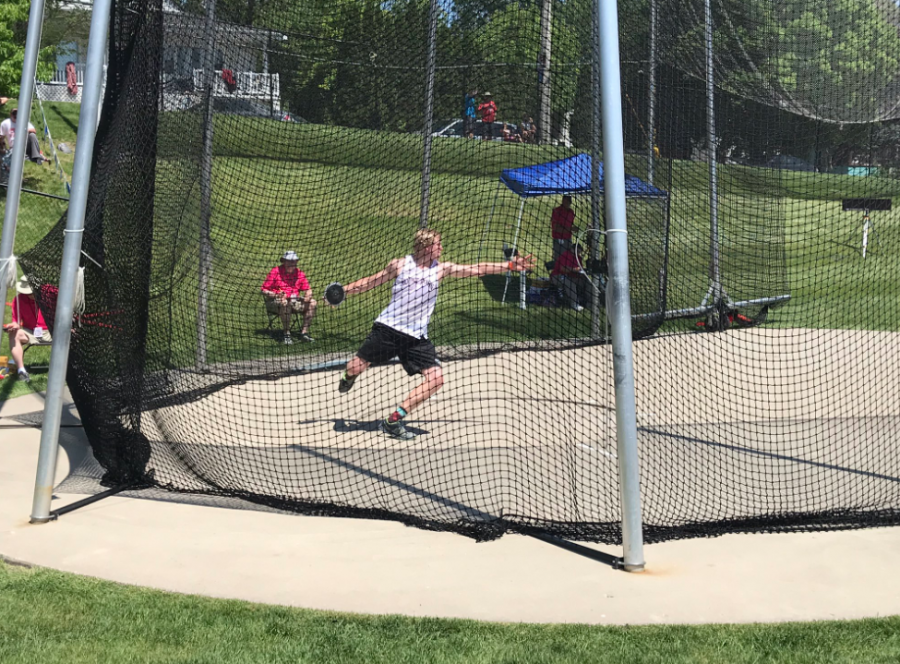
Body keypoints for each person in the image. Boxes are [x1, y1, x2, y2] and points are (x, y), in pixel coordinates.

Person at [337, 229, 535, 440]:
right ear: (426, 247)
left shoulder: (441, 269)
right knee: (355, 367)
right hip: (388, 329)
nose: (441, 248)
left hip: (416, 337)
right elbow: (370, 282)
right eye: (438, 244)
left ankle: (393, 421)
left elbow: (475, 269)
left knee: (436, 379)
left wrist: (510, 266)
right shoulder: (400, 265)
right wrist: (342, 291)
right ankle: (348, 377)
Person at [261, 250, 317, 344]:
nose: (292, 264)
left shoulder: (299, 273)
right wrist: (276, 295)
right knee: (285, 303)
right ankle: (286, 334)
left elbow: (308, 289)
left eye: (294, 261)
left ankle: (304, 334)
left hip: (294, 301)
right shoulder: (275, 271)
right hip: (276, 302)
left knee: (313, 302)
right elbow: (263, 290)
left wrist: (308, 295)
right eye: (290, 261)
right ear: (284, 261)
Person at [4, 276, 52, 382]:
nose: (29, 295)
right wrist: (13, 326)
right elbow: (16, 321)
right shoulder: (18, 299)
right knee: (14, 334)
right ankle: (21, 371)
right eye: (26, 292)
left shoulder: (50, 296)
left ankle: (71, 369)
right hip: (30, 331)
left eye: (30, 292)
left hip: (51, 331)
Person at [550, 195, 576, 262]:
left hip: (568, 239)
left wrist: (573, 229)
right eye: (565, 201)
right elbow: (556, 228)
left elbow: (570, 225)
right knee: (559, 260)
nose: (567, 203)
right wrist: (570, 229)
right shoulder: (556, 211)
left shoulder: (571, 212)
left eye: (568, 201)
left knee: (568, 259)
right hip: (559, 239)